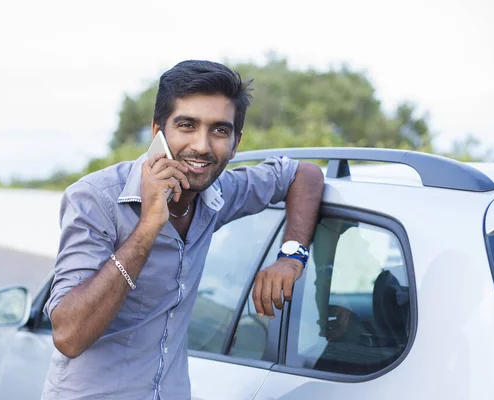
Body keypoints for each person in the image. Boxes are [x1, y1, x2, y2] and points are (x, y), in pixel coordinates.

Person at [41, 60, 325, 399]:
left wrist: (291, 256)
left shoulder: (218, 194)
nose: (202, 146)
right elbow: (69, 335)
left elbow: (303, 174)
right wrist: (148, 228)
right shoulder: (95, 199)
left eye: (219, 130)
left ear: (236, 143)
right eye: (187, 125)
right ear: (157, 132)